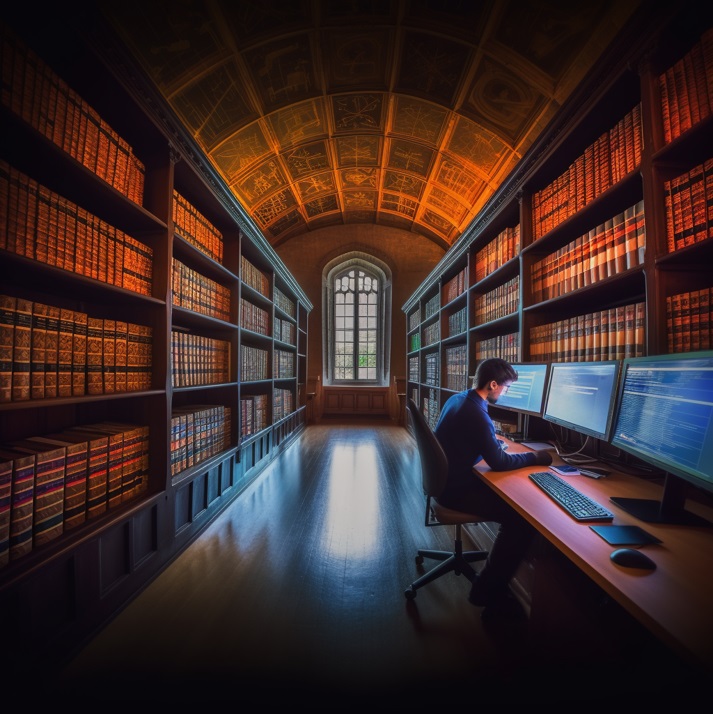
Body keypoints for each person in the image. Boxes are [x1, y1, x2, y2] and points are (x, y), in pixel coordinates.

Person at [434, 357, 553, 619]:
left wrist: (488, 445)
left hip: (444, 481)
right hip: (455, 491)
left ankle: (494, 582)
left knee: (520, 506)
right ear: (493, 384)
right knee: (522, 517)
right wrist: (537, 457)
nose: (507, 393)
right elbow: (499, 463)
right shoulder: (477, 413)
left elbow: (465, 443)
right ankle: (487, 591)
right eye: (506, 388)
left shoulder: (460, 399)